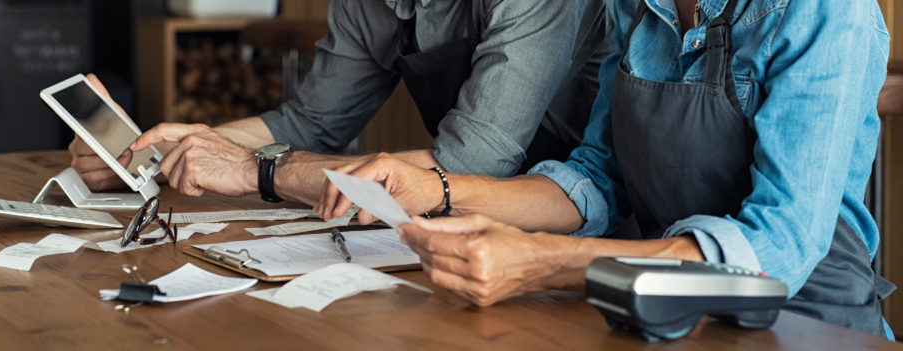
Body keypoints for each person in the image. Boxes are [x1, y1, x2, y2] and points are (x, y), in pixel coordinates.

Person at [317, 0, 895, 338]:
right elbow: (597, 177)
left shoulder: (828, 12)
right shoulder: (638, 7)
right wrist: (437, 188)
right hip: (667, 315)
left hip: (808, 326)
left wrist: (550, 264)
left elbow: (780, 250)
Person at [69, 0, 612, 204]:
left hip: (584, 217)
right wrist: (161, 156)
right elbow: (309, 122)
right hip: (456, 218)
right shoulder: (365, 3)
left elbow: (470, 165)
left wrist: (256, 170)